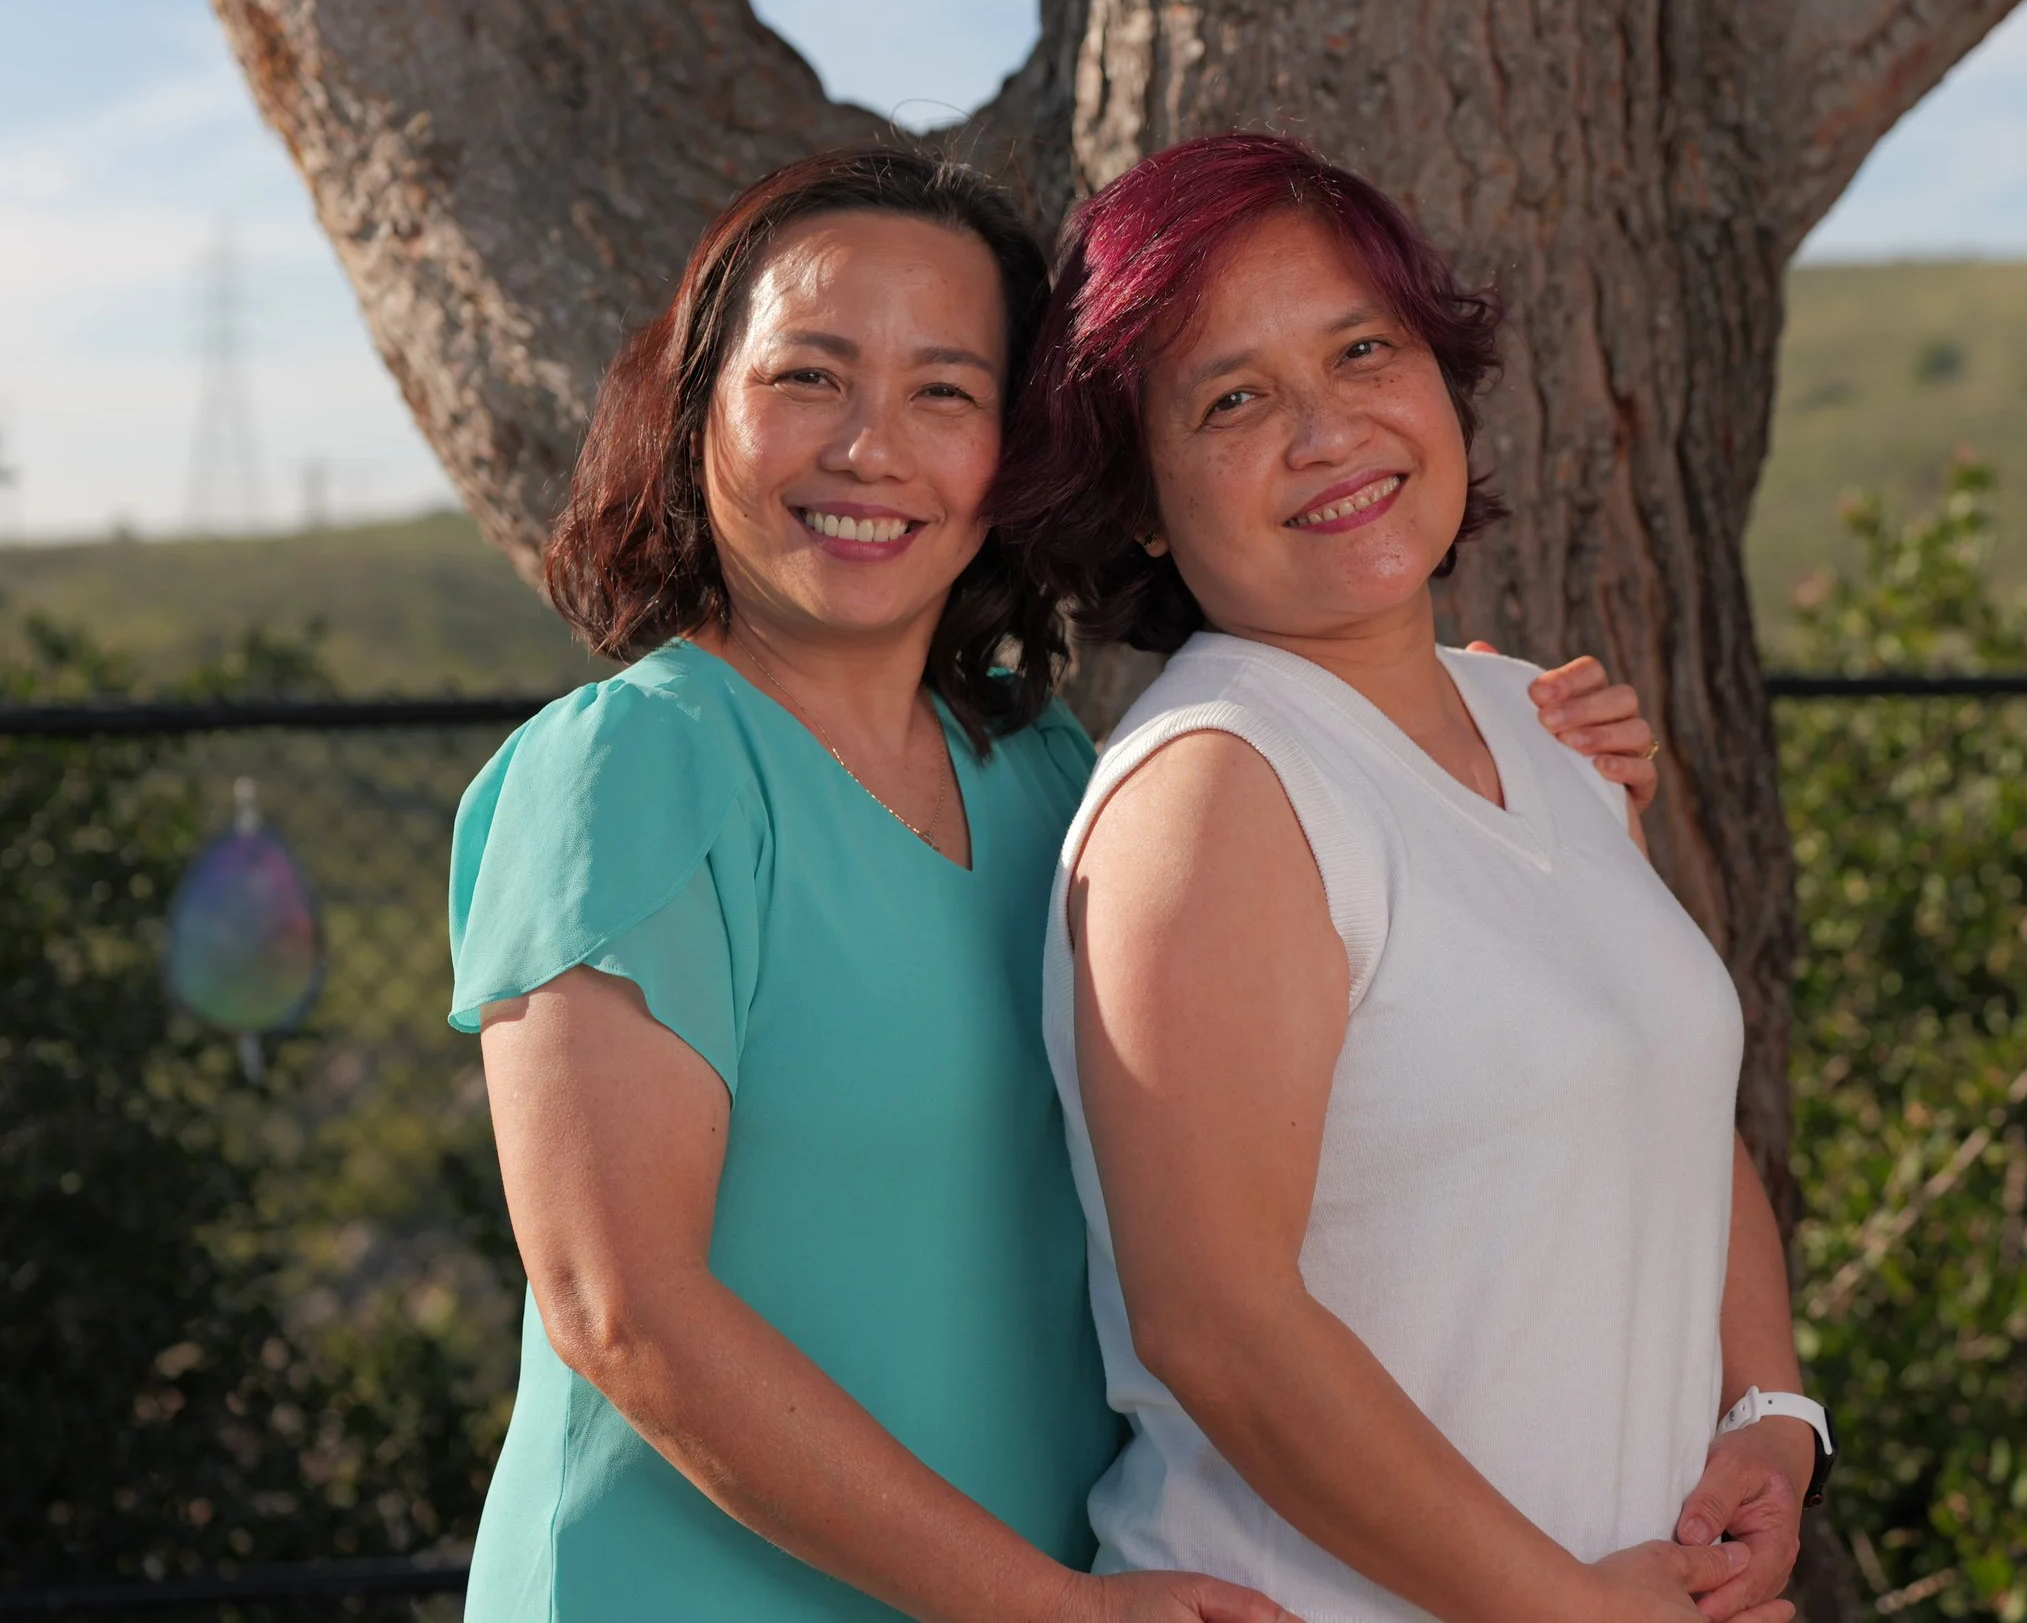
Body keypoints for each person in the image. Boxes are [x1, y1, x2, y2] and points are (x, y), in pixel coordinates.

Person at [447, 144, 1664, 1622]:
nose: (869, 449)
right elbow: (621, 1308)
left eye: (943, 392)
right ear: (699, 403)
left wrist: (1480, 754)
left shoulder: (1040, 769)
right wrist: (1040, 1606)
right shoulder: (629, 769)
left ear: (1010, 459)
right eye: (809, 378)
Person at [1002, 133, 1828, 1623]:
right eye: (1234, 398)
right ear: (1140, 497)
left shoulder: (1539, 718)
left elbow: (1664, 1096)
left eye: (1362, 349)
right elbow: (1222, 1323)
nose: (1328, 432)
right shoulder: (1215, 787)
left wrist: (1768, 1418)